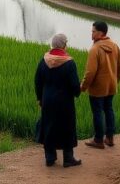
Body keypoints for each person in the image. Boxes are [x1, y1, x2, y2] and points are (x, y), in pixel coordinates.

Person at [34, 33, 83, 168]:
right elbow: (74, 85)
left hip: (48, 99)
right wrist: (78, 91)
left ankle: (50, 158)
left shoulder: (44, 60)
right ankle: (68, 158)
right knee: (67, 127)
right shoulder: (69, 62)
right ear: (64, 45)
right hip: (64, 101)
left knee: (49, 126)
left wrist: (39, 98)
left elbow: (37, 81)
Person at [80, 20, 120, 149]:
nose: (91, 34)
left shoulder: (95, 49)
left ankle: (98, 139)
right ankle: (110, 138)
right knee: (109, 109)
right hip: (111, 86)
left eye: (93, 31)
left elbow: (90, 72)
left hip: (98, 88)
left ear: (100, 33)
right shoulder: (115, 46)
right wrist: (116, 80)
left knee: (97, 112)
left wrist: (83, 86)